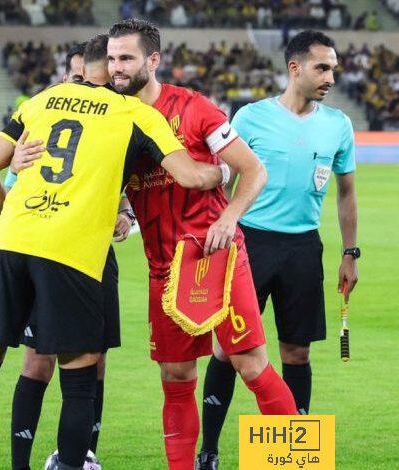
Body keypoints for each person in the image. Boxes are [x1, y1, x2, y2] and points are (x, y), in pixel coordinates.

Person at [0, 43, 230, 470]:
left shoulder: (41, 100)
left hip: (9, 244)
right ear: (109, 73)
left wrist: (13, 218)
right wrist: (222, 171)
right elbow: (187, 175)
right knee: (78, 386)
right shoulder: (136, 113)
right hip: (70, 255)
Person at [106, 18, 297, 470]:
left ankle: (293, 463)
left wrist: (230, 217)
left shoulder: (194, 109)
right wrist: (122, 213)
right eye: (112, 58)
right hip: (162, 267)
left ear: (152, 61)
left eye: (126, 58)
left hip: (216, 260)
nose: (116, 67)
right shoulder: (113, 119)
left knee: (250, 364)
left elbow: (253, 171)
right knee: (175, 377)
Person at [197, 30, 358, 470]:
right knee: (227, 351)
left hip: (304, 248)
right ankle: (208, 452)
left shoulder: (339, 125)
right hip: (249, 244)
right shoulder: (250, 118)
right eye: (322, 67)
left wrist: (351, 252)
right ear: (295, 68)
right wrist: (217, 232)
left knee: (297, 354)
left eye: (333, 68)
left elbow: (346, 193)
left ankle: (290, 456)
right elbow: (222, 180)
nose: (331, 75)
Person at [5, 36, 133, 470]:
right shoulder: (39, 121)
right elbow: (9, 189)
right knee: (38, 361)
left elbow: (118, 182)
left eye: (92, 80)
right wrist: (13, 165)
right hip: (46, 252)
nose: (86, 87)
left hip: (94, 257)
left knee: (94, 361)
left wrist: (125, 214)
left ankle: (81, 457)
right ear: (65, 78)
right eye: (78, 78)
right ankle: (20, 462)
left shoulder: (114, 119)